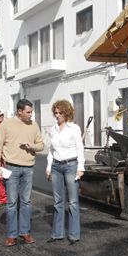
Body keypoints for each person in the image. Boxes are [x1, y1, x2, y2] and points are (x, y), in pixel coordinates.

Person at [0, 99, 44, 247]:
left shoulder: (34, 125)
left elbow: (41, 145)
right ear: (19, 111)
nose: (31, 115)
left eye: (31, 112)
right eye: (28, 112)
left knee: (26, 202)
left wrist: (33, 146)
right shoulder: (7, 124)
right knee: (12, 203)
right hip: (11, 168)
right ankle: (11, 235)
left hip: (28, 168)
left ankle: (25, 232)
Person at [45, 100, 85, 245]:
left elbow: (80, 149)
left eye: (60, 112)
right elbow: (51, 150)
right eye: (55, 112)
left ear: (67, 112)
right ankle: (57, 234)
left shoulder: (74, 128)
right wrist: (49, 167)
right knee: (58, 201)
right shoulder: (53, 129)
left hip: (71, 166)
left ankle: (74, 235)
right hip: (56, 167)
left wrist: (81, 168)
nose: (57, 115)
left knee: (73, 202)